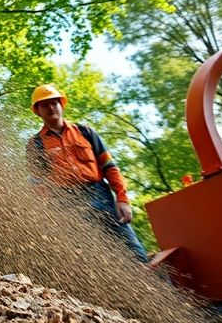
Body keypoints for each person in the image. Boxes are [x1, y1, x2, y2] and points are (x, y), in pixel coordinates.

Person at [26, 84, 149, 262]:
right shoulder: (35, 144)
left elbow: (109, 166)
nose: (51, 108)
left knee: (133, 249)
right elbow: (38, 183)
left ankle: (149, 277)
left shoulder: (85, 132)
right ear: (37, 111)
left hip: (100, 195)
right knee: (90, 257)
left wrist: (122, 198)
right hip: (66, 203)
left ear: (62, 105)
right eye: (45, 105)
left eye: (54, 103)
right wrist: (49, 214)